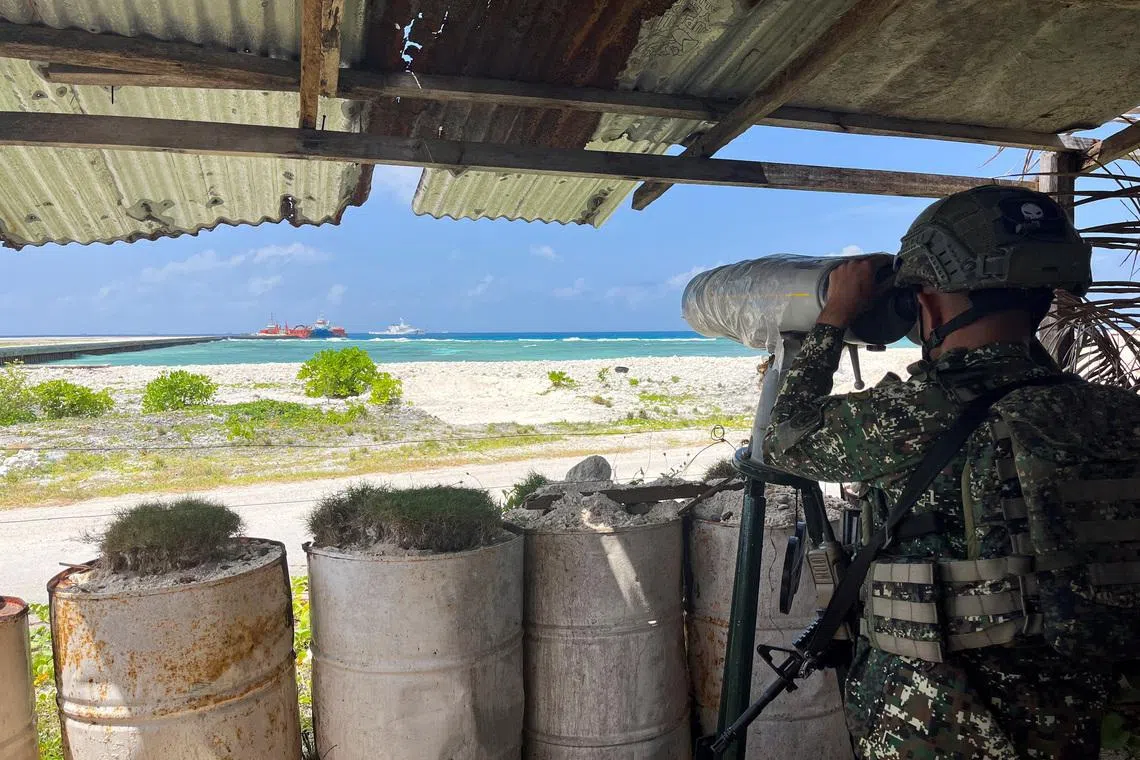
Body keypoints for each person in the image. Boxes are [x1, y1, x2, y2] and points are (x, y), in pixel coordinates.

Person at [762, 185, 1138, 759]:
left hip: (951, 720)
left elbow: (784, 441)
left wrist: (834, 314)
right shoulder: (1117, 413)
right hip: (1101, 711)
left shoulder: (915, 416)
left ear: (928, 303)